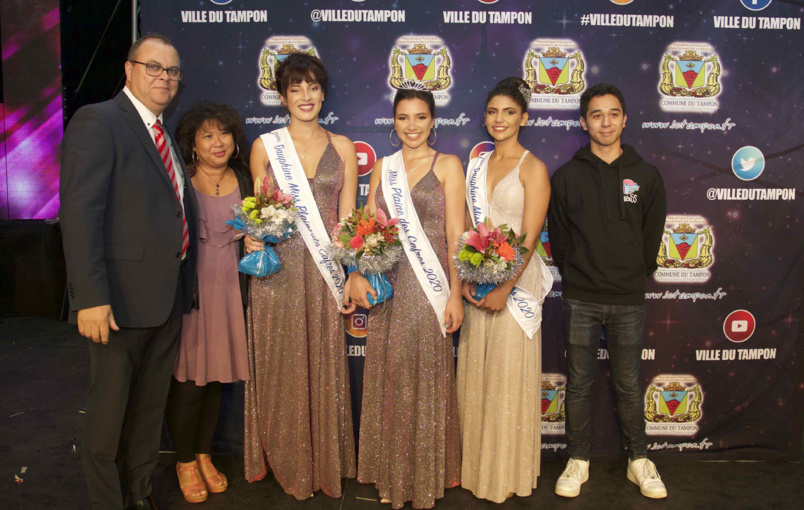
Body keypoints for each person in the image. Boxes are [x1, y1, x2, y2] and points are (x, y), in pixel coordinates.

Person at [60, 34, 197, 509]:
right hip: (116, 302)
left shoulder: (162, 131)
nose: (164, 78)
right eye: (154, 67)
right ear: (129, 68)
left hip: (164, 300)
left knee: (146, 413)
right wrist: (90, 297)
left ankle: (138, 496)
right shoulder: (99, 121)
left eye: (173, 71)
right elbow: (80, 215)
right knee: (108, 417)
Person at [242, 52, 358, 499]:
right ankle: (283, 455)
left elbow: (346, 219)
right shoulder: (264, 146)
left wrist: (351, 273)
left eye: (312, 87)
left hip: (325, 272)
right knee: (279, 365)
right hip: (278, 273)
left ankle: (322, 460)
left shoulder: (342, 146)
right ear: (283, 96)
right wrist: (252, 238)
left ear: (323, 92)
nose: (305, 96)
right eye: (296, 88)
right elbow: (257, 212)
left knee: (322, 364)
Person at [548, 83, 667, 499]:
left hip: (628, 299)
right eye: (596, 115)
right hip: (580, 297)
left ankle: (639, 461)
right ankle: (577, 460)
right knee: (579, 384)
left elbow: (652, 236)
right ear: (584, 122)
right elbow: (559, 240)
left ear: (625, 119)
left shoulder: (647, 175)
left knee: (630, 385)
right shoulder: (566, 176)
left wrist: (635, 271)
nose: (605, 121)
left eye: (612, 113)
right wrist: (579, 273)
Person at [348, 88, 465, 509]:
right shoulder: (384, 167)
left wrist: (455, 293)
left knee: (424, 377)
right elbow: (366, 227)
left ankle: (421, 475)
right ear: (393, 122)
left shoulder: (449, 165)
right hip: (389, 285)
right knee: (390, 375)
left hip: (429, 289)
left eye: (420, 117)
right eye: (403, 118)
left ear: (433, 121)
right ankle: (392, 473)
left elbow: (456, 236)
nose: (412, 126)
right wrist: (358, 269)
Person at [457, 77, 552, 503]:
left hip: (515, 291)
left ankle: (506, 473)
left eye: (509, 112)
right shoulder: (475, 166)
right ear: (485, 118)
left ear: (524, 118)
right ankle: (476, 469)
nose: (500, 119)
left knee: (507, 381)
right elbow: (465, 229)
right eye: (493, 112)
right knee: (478, 379)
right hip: (478, 282)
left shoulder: (533, 167)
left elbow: (529, 238)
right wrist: (463, 278)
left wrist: (505, 287)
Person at [164, 101, 252, 503]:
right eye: (207, 135)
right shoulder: (178, 180)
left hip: (232, 292)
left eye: (224, 133)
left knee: (216, 377)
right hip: (191, 295)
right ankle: (183, 461)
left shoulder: (247, 180)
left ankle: (204, 455)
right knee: (187, 381)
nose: (218, 142)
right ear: (193, 144)